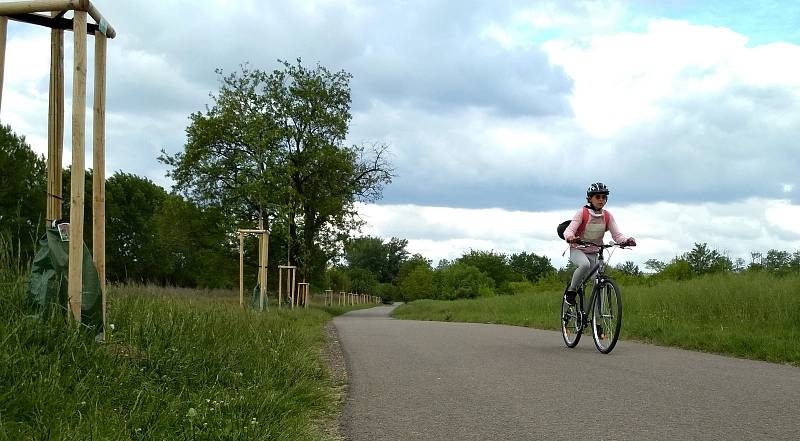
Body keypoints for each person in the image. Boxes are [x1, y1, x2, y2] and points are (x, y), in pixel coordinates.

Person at [562, 182, 635, 306]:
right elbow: (569, 230)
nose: (601, 200)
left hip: (595, 252)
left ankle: (598, 323)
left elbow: (617, 235)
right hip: (578, 250)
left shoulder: (607, 216)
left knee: (598, 284)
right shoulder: (582, 213)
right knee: (584, 264)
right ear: (590, 198)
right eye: (597, 197)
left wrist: (626, 241)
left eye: (603, 197)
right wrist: (571, 237)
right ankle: (571, 291)